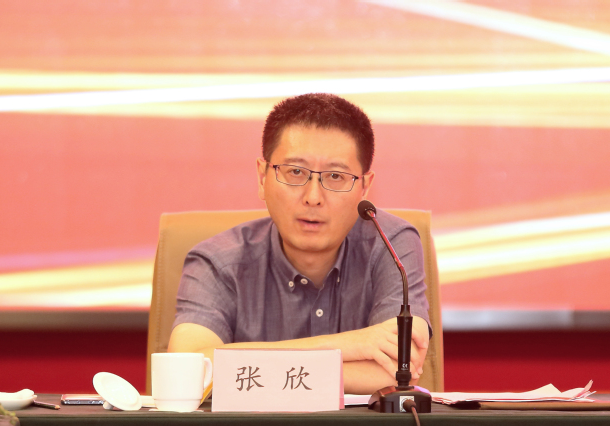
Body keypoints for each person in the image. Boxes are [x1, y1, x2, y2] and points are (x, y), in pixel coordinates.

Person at [168, 93, 430, 394]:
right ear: (262, 177)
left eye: (335, 176)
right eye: (295, 172)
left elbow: (399, 369)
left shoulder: (391, 245)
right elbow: (186, 371)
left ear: (364, 187)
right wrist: (350, 345)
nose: (313, 197)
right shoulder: (217, 262)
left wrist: (244, 367)